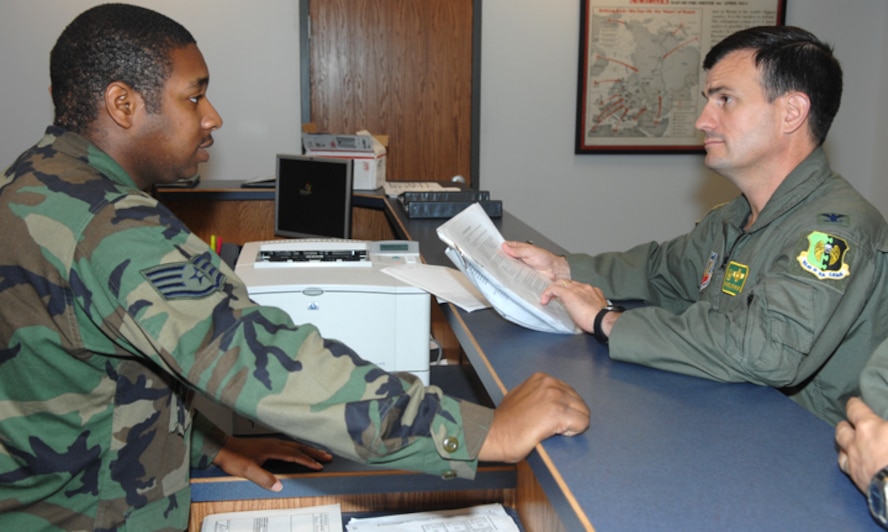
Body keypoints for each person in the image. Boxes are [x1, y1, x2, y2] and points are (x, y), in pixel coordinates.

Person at [0, 4, 590, 530]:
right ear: (124, 104)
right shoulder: (112, 226)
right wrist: (488, 430)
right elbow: (263, 359)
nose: (212, 117)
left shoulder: (33, 184)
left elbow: (83, 382)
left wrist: (205, 448)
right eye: (193, 95)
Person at [504, 25, 888, 426]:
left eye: (725, 99)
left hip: (806, 455)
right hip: (733, 423)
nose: (704, 120)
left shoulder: (836, 233)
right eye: (708, 100)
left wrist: (607, 321)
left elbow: (766, 351)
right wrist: (563, 269)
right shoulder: (736, 216)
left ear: (791, 112)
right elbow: (661, 270)